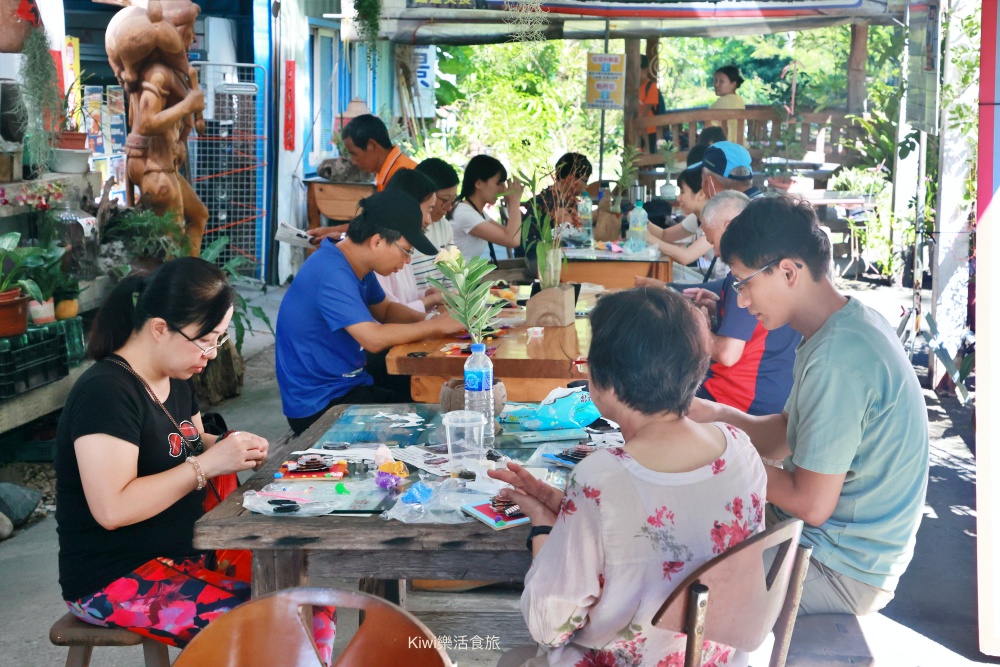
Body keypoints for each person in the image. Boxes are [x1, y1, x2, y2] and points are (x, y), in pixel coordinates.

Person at [55, 258, 336, 662]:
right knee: (277, 624)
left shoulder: (175, 377)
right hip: (115, 577)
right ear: (159, 328)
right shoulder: (105, 393)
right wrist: (208, 464)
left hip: (184, 555)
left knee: (311, 608)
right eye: (205, 339)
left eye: (218, 340)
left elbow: (184, 439)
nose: (210, 353)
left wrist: (231, 446)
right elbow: (112, 508)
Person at [489, 288, 767, 667]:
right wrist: (574, 512)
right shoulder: (741, 450)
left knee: (511, 658)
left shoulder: (600, 479)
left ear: (608, 383)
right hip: (715, 658)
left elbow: (549, 625)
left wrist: (542, 526)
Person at [692, 196, 929, 616]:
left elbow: (811, 503)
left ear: (787, 271)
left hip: (842, 566)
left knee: (684, 586)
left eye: (744, 283)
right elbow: (787, 434)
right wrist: (711, 417)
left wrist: (716, 455)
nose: (742, 302)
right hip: (826, 540)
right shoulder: (842, 323)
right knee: (685, 523)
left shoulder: (837, 358)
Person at [276, 190, 465, 435]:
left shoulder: (354, 263)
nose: (407, 261)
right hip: (319, 405)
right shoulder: (332, 272)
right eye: (406, 251)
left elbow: (386, 310)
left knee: (432, 397)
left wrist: (432, 319)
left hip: (350, 384)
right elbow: (373, 338)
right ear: (377, 241)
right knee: (429, 422)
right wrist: (438, 325)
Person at [684, 192, 801, 416]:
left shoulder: (748, 273)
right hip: (772, 395)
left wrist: (697, 326)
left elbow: (728, 354)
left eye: (712, 242)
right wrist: (718, 313)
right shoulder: (767, 265)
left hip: (741, 400)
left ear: (729, 226)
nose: (716, 252)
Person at [307, 114, 419, 245]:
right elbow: (373, 221)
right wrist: (328, 230)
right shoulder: (386, 171)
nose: (353, 162)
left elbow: (388, 231)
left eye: (354, 153)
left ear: (371, 145)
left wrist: (341, 236)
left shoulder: (402, 175)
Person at [377, 168, 445, 313]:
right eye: (428, 210)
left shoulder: (403, 245)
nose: (428, 220)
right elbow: (390, 315)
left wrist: (426, 297)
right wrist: (431, 301)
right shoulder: (383, 251)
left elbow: (405, 300)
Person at [645, 165, 725, 283]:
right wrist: (643, 221)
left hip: (726, 287)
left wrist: (648, 238)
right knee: (670, 270)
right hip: (715, 278)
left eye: (682, 192)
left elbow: (685, 257)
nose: (678, 197)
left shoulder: (716, 219)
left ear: (701, 194)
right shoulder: (696, 217)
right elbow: (665, 235)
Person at [517, 152, 592, 264]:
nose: (586, 186)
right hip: (536, 260)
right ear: (569, 178)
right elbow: (573, 234)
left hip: (555, 256)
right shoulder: (548, 201)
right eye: (584, 181)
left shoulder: (565, 199)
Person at [450, 155, 524, 261]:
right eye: (498, 183)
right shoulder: (464, 213)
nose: (501, 189)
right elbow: (512, 241)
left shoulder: (477, 212)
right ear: (479, 184)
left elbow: (511, 234)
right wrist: (515, 202)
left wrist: (510, 203)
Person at [412, 157, 460, 292]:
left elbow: (453, 277)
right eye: (445, 199)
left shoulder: (444, 225)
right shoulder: (398, 232)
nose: (449, 207)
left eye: (453, 200)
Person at [639, 54, 667, 153]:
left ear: (645, 71)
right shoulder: (631, 88)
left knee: (649, 160)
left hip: (650, 132)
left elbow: (645, 113)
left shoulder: (651, 87)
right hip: (636, 132)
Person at [709, 65, 746, 141]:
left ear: (733, 85)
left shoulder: (726, 100)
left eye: (721, 81)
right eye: (715, 80)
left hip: (722, 146)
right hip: (738, 146)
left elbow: (708, 123)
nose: (716, 85)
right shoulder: (738, 99)